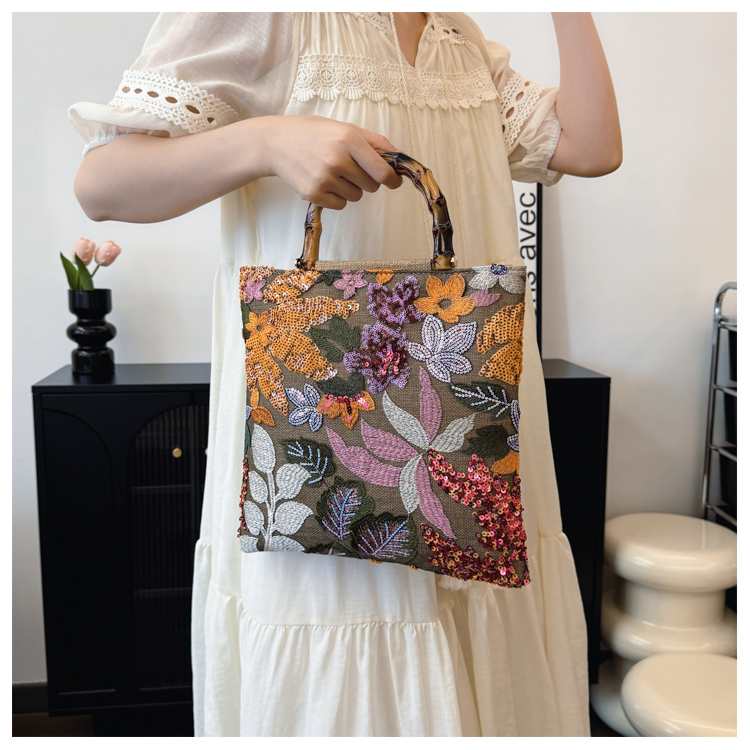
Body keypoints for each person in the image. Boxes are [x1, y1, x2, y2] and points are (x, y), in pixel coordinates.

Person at [70, 12, 621, 736]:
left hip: (471, 440)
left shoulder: (456, 36)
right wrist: (267, 141)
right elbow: (103, 183)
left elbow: (591, 147)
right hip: (321, 446)